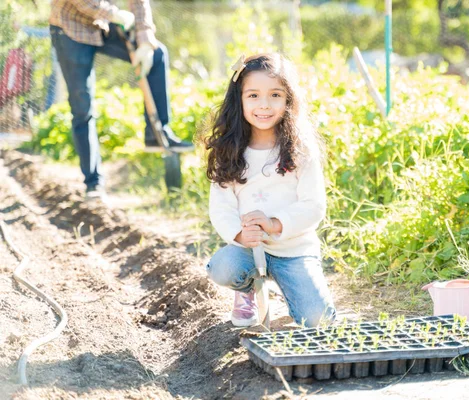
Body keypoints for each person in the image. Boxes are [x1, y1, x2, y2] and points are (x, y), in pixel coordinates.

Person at [204, 53, 336, 328]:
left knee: (318, 320)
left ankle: (293, 289)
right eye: (253, 96)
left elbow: (314, 206)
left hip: (295, 249)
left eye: (275, 95)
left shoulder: (300, 148)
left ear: (289, 99)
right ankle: (246, 290)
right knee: (223, 268)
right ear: (238, 100)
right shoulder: (229, 150)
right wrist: (240, 234)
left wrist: (275, 224)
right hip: (248, 249)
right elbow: (221, 207)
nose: (264, 105)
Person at [49, 0, 194, 200]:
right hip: (70, 27)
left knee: (157, 53)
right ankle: (93, 183)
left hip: (104, 25)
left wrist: (144, 37)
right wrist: (115, 14)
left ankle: (157, 134)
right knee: (82, 106)